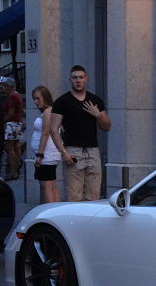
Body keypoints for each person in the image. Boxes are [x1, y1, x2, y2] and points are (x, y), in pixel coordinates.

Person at [50, 65, 111, 201]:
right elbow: (53, 129)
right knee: (74, 196)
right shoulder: (62, 101)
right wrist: (63, 152)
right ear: (70, 80)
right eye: (75, 77)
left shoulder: (95, 100)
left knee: (93, 196)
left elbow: (106, 127)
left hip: (93, 151)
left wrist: (98, 115)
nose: (78, 80)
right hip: (73, 151)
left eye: (81, 77)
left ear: (86, 79)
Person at [31, 86, 61, 203]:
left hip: (46, 155)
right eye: (34, 99)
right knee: (51, 186)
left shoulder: (48, 112)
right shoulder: (48, 111)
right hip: (48, 155)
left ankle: (50, 214)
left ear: (45, 97)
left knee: (47, 187)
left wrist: (40, 155)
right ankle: (55, 212)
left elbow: (45, 133)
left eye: (38, 98)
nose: (35, 101)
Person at [0, 77, 24, 180]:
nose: (2, 87)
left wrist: (1, 121)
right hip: (17, 123)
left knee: (10, 149)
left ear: (9, 86)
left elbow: (11, 112)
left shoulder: (12, 96)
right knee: (16, 148)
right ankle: (16, 170)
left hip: (11, 124)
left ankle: (12, 172)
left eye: (4, 85)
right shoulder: (16, 95)